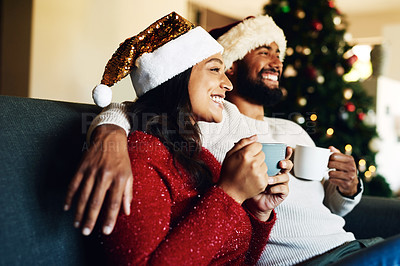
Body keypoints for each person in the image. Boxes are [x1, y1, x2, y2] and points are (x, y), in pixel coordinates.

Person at [65, 14, 400, 265]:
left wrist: (263, 210)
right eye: (263, 50)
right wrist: (108, 138)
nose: (276, 61)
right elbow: (138, 108)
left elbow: (239, 252)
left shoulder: (283, 132)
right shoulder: (203, 128)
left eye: (278, 52)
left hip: (354, 245)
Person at [75, 12, 292, 265]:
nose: (227, 84)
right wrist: (230, 194)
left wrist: (258, 211)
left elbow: (238, 258)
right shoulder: (142, 161)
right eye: (214, 70)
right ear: (176, 78)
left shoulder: (199, 156)